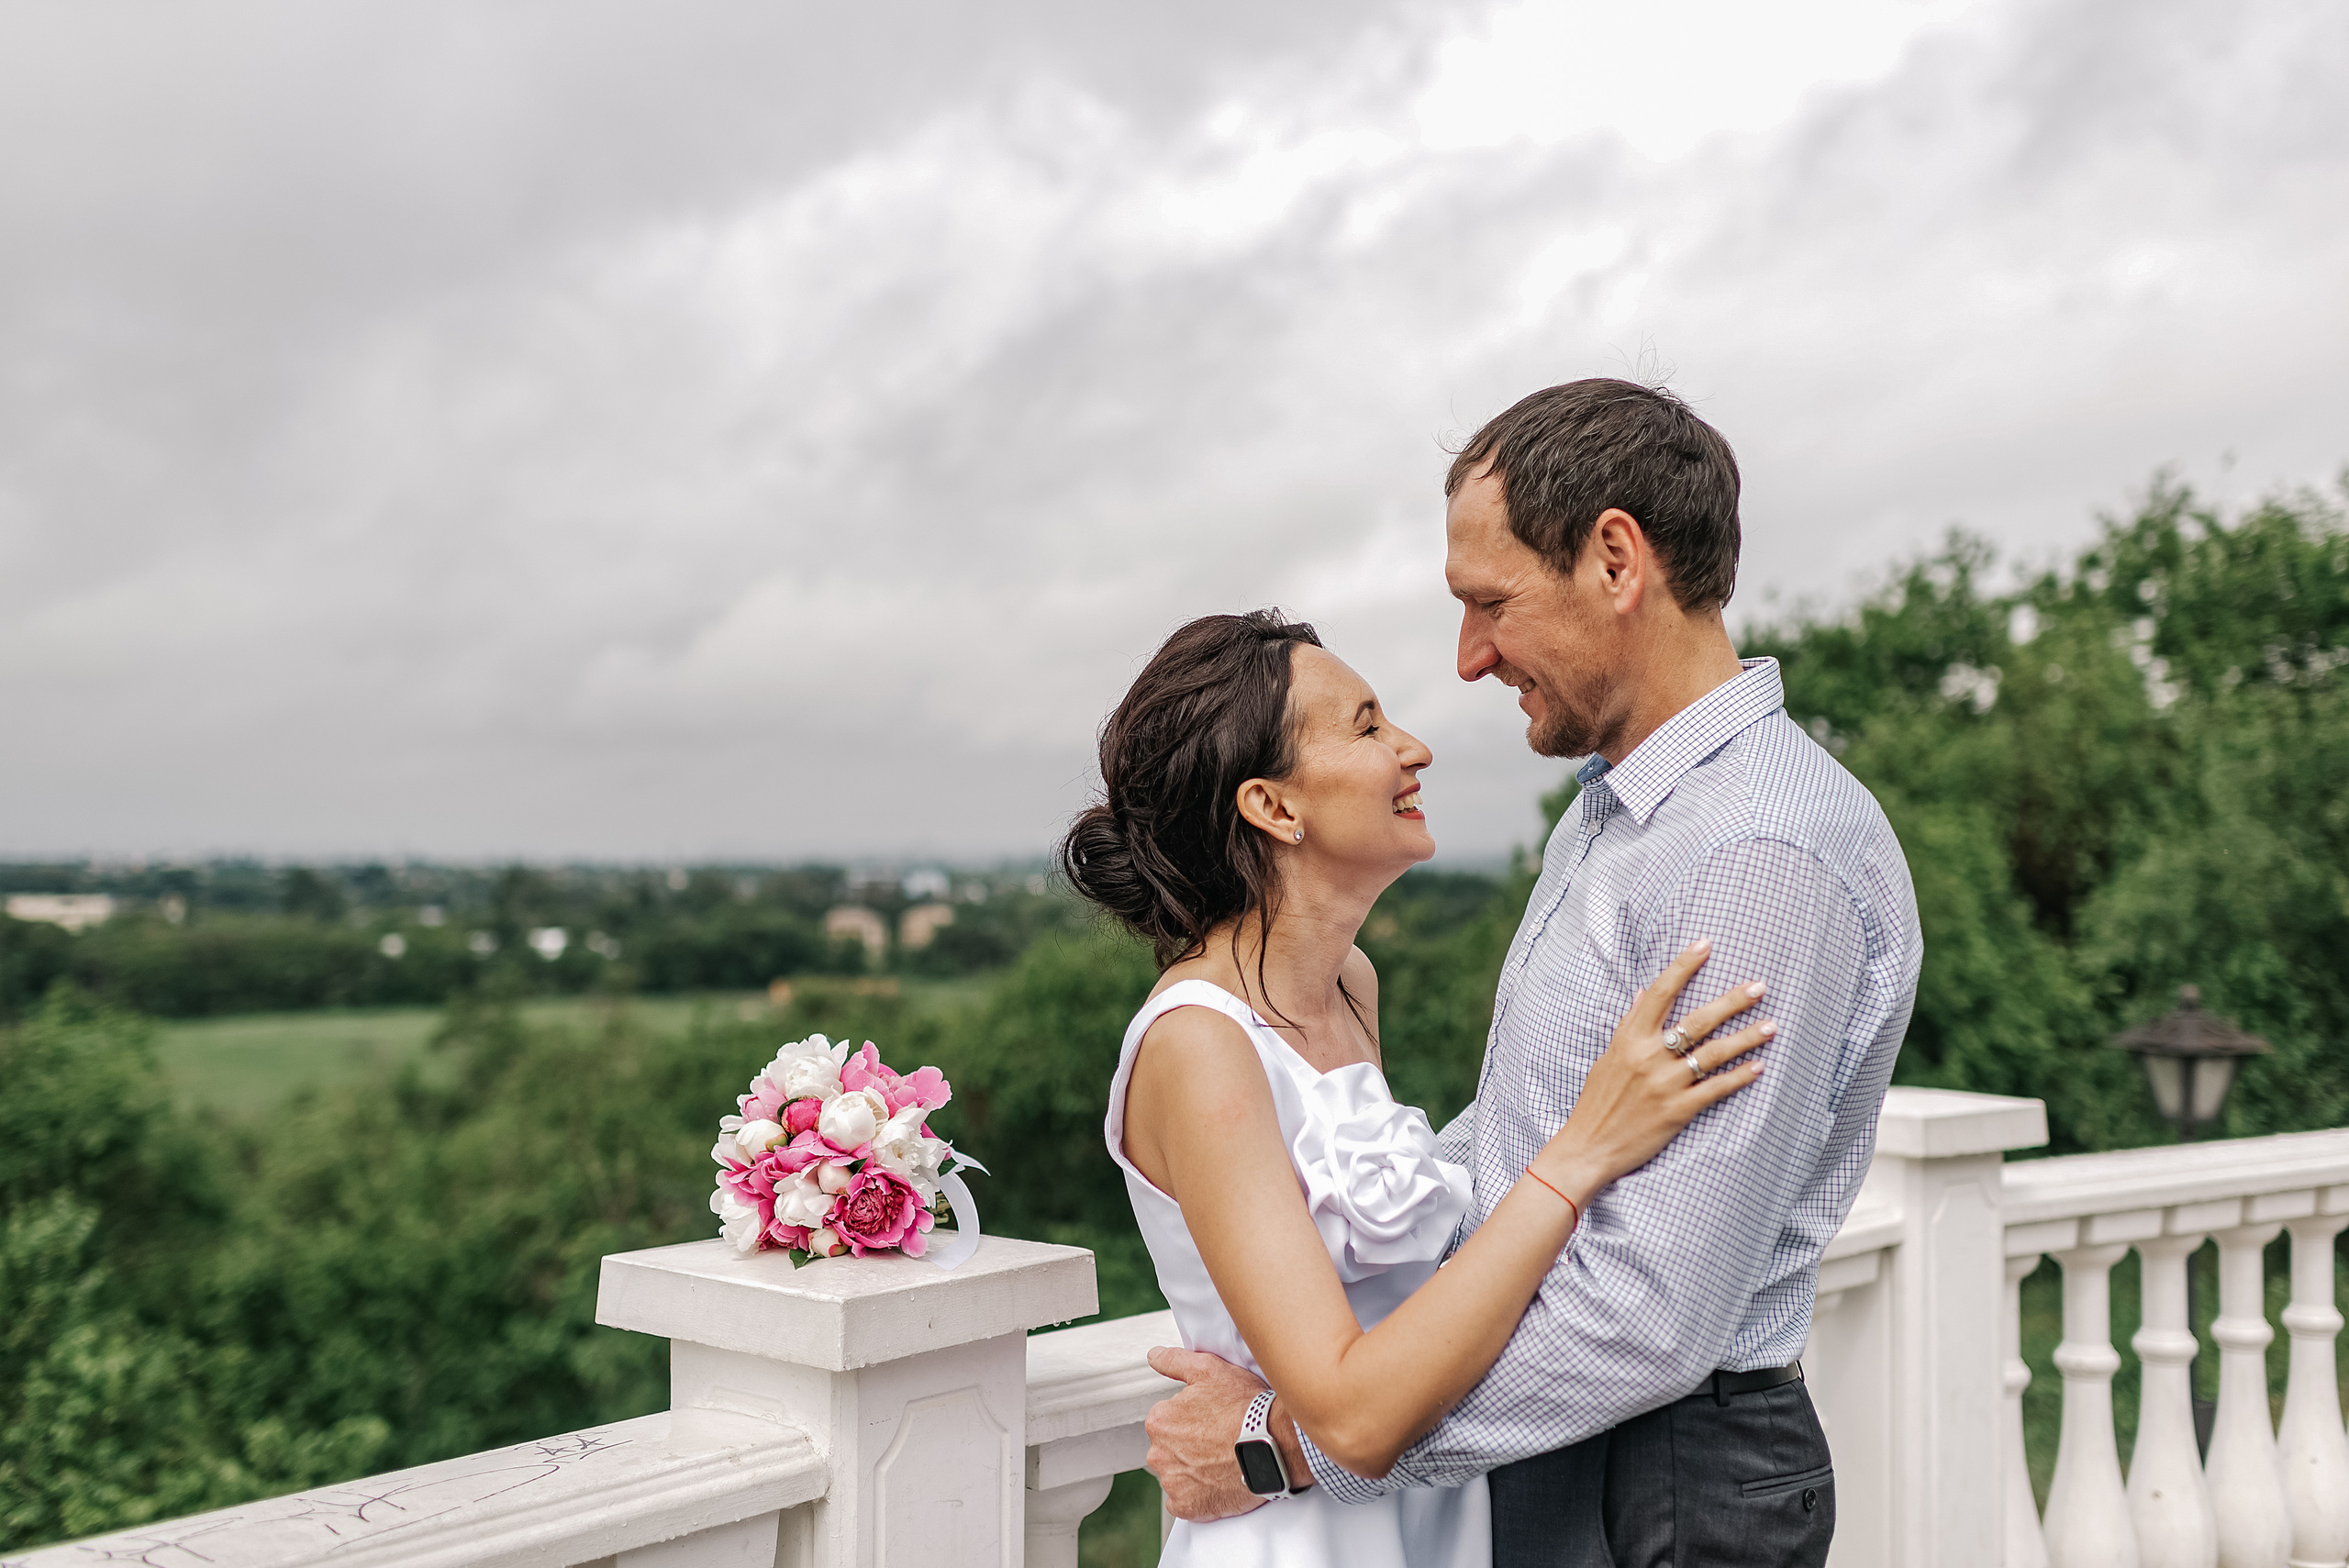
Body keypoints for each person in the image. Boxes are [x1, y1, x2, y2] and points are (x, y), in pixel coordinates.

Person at [1140, 380, 1922, 1567]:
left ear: (1617, 559)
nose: (1468, 660)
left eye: (1489, 602)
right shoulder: (1616, 816)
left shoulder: (1758, 854)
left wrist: (1294, 1443)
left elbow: (1652, 1314)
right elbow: (1518, 1137)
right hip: (1563, 1463)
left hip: (1659, 1479)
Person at [1060, 606, 1776, 1568]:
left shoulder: (1351, 984)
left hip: (1434, 1521)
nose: (1413, 746)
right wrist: (1581, 1151)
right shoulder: (1199, 1042)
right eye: (1364, 726)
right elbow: (1350, 1406)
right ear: (1272, 805)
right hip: (1297, 1539)